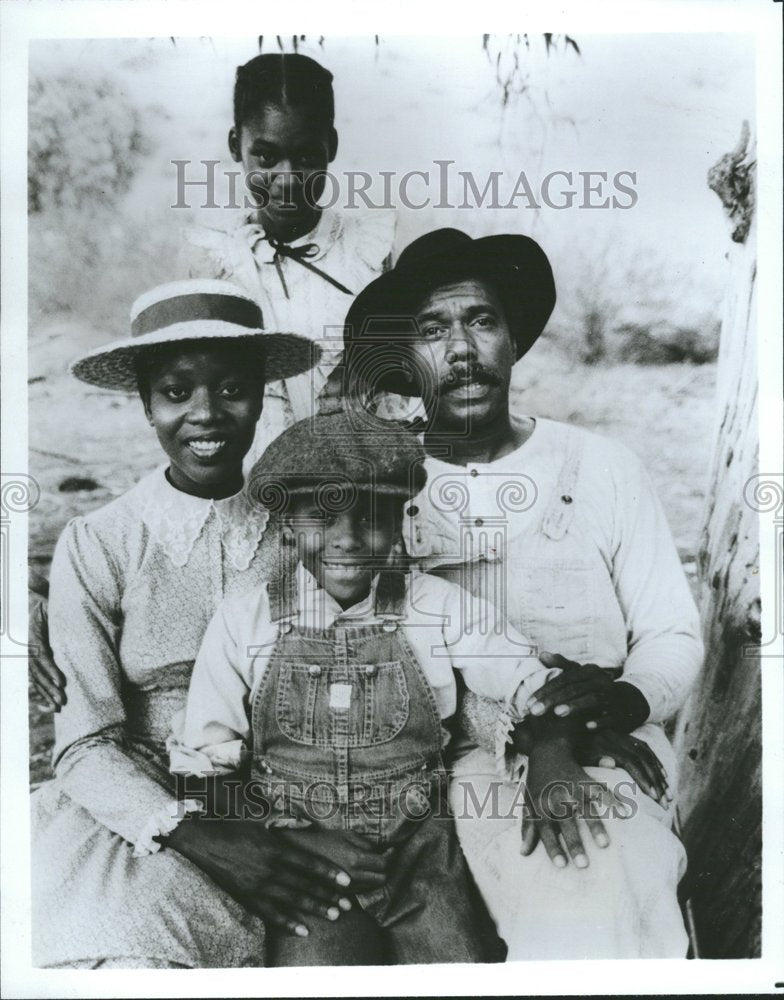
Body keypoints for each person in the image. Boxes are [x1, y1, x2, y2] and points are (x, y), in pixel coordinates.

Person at [341, 227, 705, 959]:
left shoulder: (600, 465)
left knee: (603, 863)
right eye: (432, 330)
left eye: (482, 320)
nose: (463, 350)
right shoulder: (378, 490)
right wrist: (540, 733)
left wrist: (620, 705)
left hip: (613, 738)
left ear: (513, 338)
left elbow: (671, 632)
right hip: (455, 759)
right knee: (546, 880)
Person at [167, 410, 610, 966]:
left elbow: (533, 685)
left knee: (458, 966)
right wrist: (287, 841)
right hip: (308, 861)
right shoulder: (245, 620)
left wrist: (550, 749)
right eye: (321, 517)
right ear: (284, 523)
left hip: (421, 857)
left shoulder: (436, 608)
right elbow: (204, 772)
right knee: (320, 974)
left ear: (402, 518)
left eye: (372, 516)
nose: (348, 539)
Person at [30, 280, 385, 968]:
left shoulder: (305, 527)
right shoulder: (100, 540)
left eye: (231, 388)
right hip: (146, 805)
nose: (206, 414)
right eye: (175, 391)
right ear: (145, 405)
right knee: (129, 946)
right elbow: (83, 744)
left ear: (262, 397)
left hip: (294, 790)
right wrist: (194, 831)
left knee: (342, 954)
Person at [183, 52, 400, 459]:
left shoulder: (368, 253)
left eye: (305, 158)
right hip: (252, 474)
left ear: (330, 148)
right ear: (236, 146)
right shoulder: (217, 260)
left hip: (355, 471)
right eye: (265, 156)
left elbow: (399, 370)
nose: (287, 179)